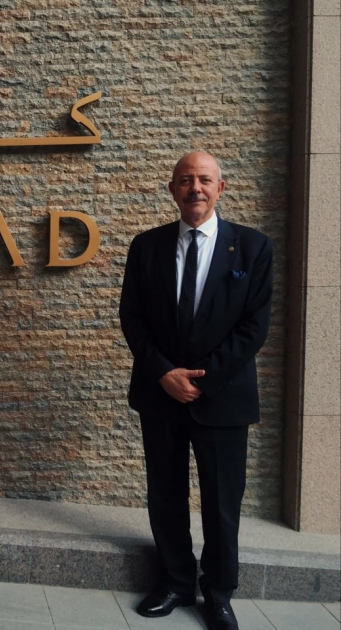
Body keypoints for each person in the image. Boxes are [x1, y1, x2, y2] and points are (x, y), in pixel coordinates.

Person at [118, 151, 273, 630]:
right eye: (185, 180)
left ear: (220, 188)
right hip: (160, 393)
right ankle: (174, 582)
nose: (195, 188)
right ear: (172, 190)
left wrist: (201, 379)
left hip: (222, 398)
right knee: (165, 495)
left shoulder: (252, 247)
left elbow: (253, 328)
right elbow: (132, 317)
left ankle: (219, 594)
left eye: (204, 180)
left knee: (222, 503)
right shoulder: (146, 246)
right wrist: (165, 373)